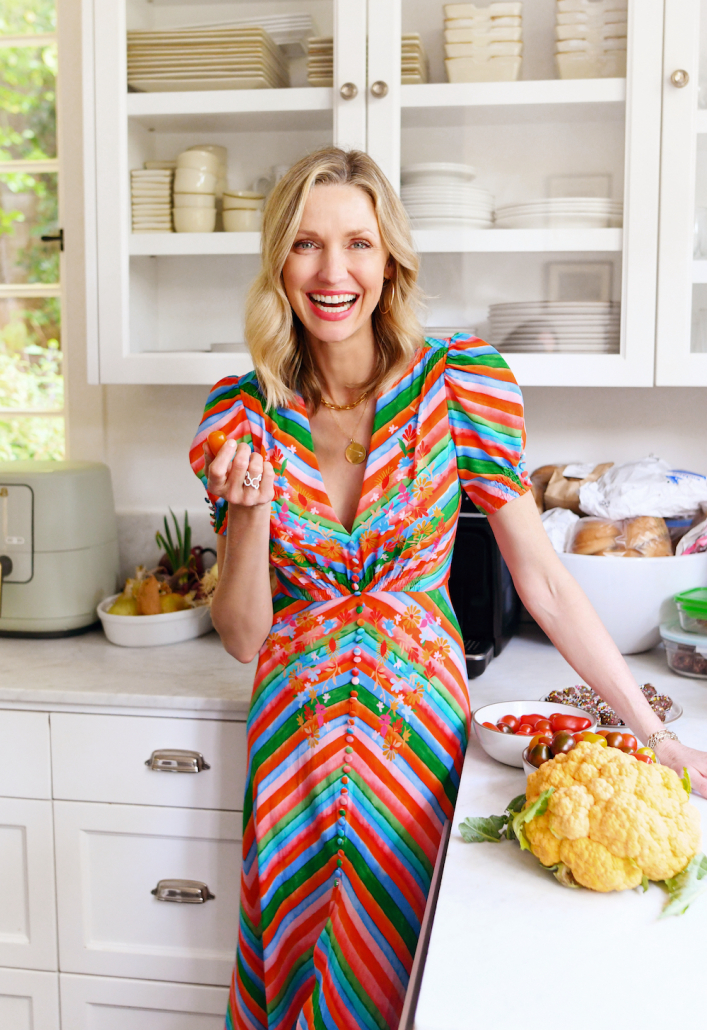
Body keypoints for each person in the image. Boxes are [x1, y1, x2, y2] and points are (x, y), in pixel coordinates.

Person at [190, 146, 707, 1030]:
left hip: (412, 734)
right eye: (307, 245)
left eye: (357, 243)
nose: (333, 271)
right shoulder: (241, 414)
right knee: (296, 961)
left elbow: (540, 578)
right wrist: (246, 513)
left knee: (400, 974)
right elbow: (242, 634)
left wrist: (652, 734)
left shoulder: (457, 384)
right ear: (279, 260)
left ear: (388, 259)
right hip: (294, 746)